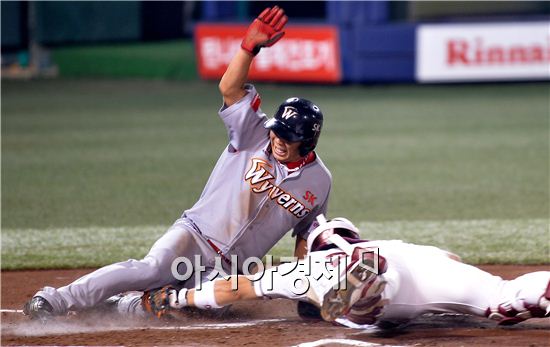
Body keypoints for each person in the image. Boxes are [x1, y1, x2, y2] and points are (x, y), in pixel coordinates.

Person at [23, 6, 332, 321]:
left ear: (307, 142)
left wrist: (306, 285)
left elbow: (308, 235)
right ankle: (53, 300)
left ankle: (122, 305)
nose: (278, 139)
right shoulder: (253, 133)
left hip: (230, 267)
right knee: (150, 270)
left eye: (288, 137)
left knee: (208, 307)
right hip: (195, 235)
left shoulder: (319, 182)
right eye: (277, 132)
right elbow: (229, 89)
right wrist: (247, 48)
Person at [142, 215, 550, 328]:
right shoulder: (393, 244)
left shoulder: (303, 266)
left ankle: (360, 296)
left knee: (338, 301)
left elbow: (237, 288)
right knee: (502, 301)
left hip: (357, 280)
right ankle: (363, 289)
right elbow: (452, 258)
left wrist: (179, 296)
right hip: (415, 267)